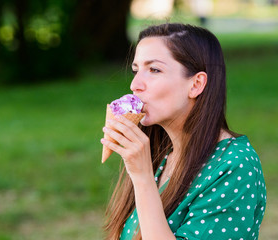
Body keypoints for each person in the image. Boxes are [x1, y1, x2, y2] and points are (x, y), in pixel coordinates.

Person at [100, 23, 267, 240]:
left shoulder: (235, 166)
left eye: (154, 70)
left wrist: (142, 178)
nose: (135, 84)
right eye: (136, 70)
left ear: (196, 84)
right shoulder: (162, 153)